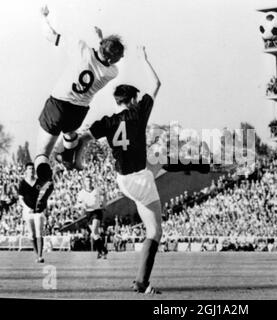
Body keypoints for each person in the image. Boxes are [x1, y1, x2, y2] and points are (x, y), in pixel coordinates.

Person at [78, 46, 161, 294]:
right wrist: (145, 59)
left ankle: (141, 282)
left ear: (117, 101)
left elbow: (83, 138)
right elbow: (156, 83)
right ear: (133, 100)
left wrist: (77, 157)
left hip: (123, 180)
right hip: (140, 178)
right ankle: (142, 282)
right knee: (155, 232)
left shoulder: (107, 121)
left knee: (154, 166)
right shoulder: (138, 113)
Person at [33, 5, 125, 213]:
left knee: (41, 154)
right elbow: (104, 59)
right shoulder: (112, 72)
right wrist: (101, 40)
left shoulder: (80, 47)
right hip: (79, 111)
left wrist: (44, 17)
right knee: (69, 132)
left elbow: (50, 35)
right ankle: (67, 154)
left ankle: (44, 177)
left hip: (58, 103)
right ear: (112, 59)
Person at [18, 163, 46, 263]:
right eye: (29, 168)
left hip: (38, 211)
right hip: (27, 211)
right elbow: (20, 199)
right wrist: (26, 207)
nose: (31, 170)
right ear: (26, 170)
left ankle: (40, 255)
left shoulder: (38, 182)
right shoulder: (22, 183)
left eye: (33, 169)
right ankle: (36, 255)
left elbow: (43, 194)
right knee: (31, 234)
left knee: (39, 232)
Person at [77, 176, 108, 259]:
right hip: (88, 213)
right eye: (87, 181)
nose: (89, 182)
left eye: (90, 181)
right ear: (84, 182)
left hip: (97, 211)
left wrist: (104, 204)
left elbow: (104, 194)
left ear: (92, 182)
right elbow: (79, 203)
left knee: (94, 231)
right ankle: (101, 251)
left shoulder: (97, 190)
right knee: (95, 234)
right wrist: (82, 206)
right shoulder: (81, 193)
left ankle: (103, 250)